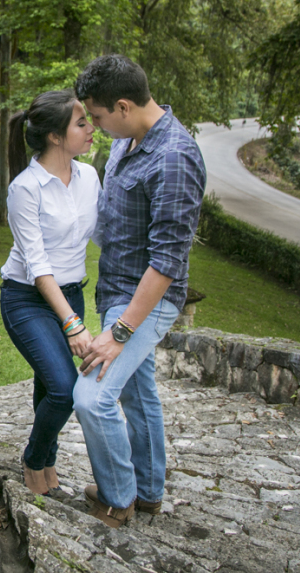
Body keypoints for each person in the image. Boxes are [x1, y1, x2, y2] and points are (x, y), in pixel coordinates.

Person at [72, 55, 206, 528]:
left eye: (100, 117)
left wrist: (120, 332)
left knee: (92, 396)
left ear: (124, 106)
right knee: (139, 394)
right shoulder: (128, 142)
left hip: (144, 302)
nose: (98, 126)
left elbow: (167, 262)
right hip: (117, 292)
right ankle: (148, 492)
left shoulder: (174, 157)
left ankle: (118, 498)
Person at [0, 90, 102, 495]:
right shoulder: (26, 189)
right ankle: (33, 459)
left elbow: (101, 234)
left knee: (50, 386)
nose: (91, 127)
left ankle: (46, 464)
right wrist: (73, 324)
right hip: (27, 298)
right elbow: (38, 267)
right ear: (56, 137)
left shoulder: (89, 176)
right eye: (81, 123)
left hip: (71, 292)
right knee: (65, 388)